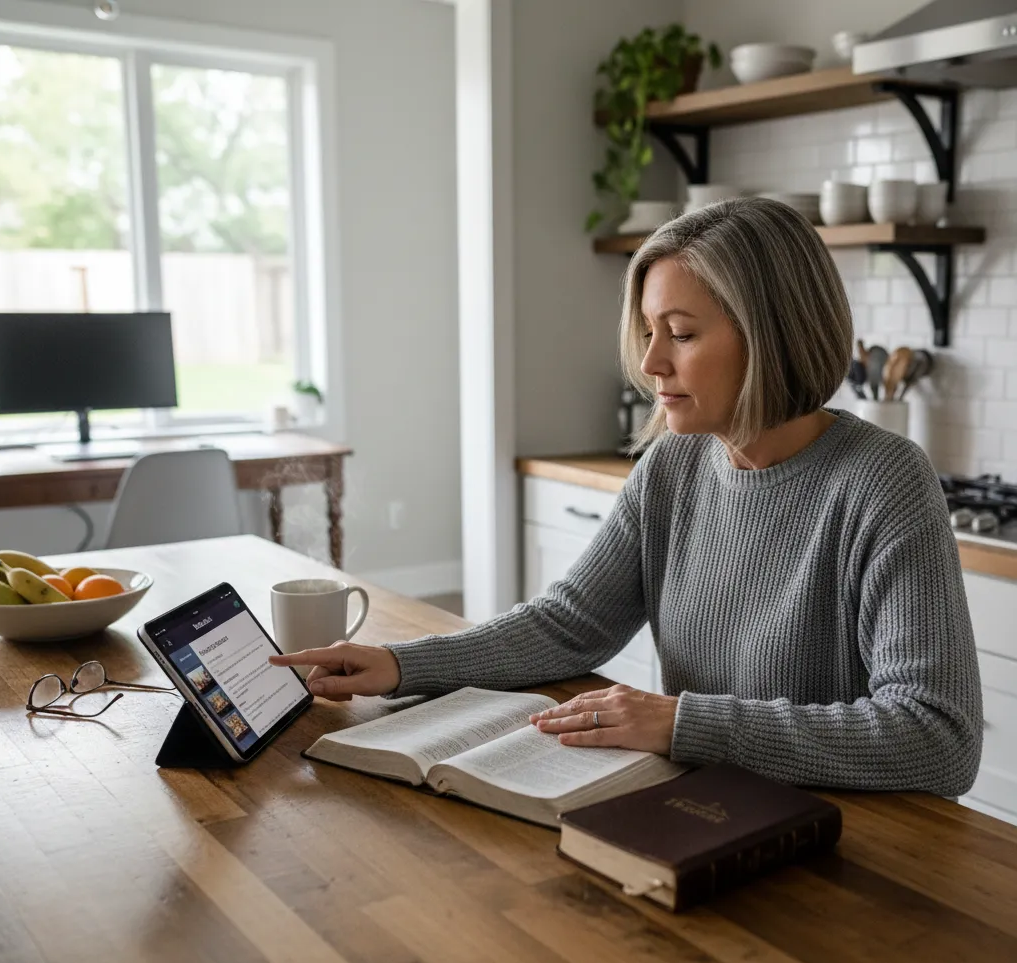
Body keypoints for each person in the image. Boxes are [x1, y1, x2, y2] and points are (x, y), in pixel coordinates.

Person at [271, 197, 982, 797]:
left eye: (681, 334)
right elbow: (569, 624)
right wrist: (402, 665)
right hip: (703, 804)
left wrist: (682, 723)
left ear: (772, 335)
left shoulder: (883, 482)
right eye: (648, 333)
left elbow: (937, 738)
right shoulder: (674, 463)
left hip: (836, 838)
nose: (650, 362)